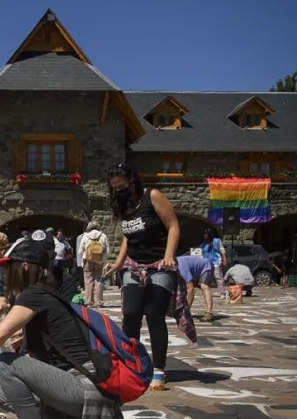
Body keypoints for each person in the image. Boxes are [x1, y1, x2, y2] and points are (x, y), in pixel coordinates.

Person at [0, 237, 125, 419]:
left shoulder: (34, 295)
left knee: (6, 361)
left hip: (86, 390)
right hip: (91, 390)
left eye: (9, 268)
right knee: (4, 395)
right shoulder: (47, 294)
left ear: (25, 267)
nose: (6, 275)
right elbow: (39, 363)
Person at [103, 164, 194, 391]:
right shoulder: (124, 206)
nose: (119, 191)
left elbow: (173, 226)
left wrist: (169, 256)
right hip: (133, 265)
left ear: (132, 181)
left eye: (122, 186)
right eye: (115, 188)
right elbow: (128, 237)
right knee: (131, 314)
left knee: (154, 314)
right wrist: (118, 263)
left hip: (159, 264)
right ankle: (131, 364)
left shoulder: (152, 196)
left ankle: (159, 369)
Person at [177, 255, 215, 322]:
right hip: (196, 270)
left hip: (206, 266)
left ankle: (209, 313)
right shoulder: (172, 267)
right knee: (181, 288)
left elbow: (191, 290)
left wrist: (187, 310)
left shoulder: (181, 268)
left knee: (203, 286)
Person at [80, 221, 108, 308]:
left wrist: (84, 256)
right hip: (99, 261)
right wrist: (103, 259)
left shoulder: (85, 236)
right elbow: (108, 250)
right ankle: (98, 302)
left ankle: (88, 301)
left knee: (88, 281)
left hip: (88, 260)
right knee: (99, 281)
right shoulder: (103, 236)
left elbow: (80, 250)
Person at [200, 227, 228, 300]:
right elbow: (201, 254)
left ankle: (222, 293)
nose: (205, 235)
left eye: (206, 234)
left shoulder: (217, 241)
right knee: (206, 279)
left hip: (216, 262)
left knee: (218, 277)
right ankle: (207, 293)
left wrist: (224, 259)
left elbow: (222, 250)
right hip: (206, 263)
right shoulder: (203, 244)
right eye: (204, 234)